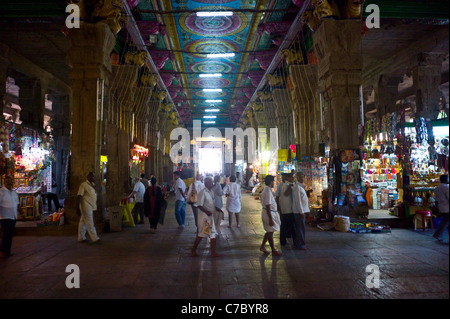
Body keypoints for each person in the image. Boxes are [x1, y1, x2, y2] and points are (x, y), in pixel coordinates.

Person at [191, 177, 223, 257]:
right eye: (211, 182)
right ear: (206, 184)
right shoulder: (203, 192)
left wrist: (217, 209)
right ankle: (193, 249)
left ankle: (213, 252)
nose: (213, 184)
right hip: (204, 218)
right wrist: (207, 212)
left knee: (213, 234)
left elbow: (211, 203)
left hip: (210, 217)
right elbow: (199, 205)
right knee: (201, 234)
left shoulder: (211, 192)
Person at [260, 175, 282, 256]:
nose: (274, 183)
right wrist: (270, 218)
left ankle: (272, 249)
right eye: (273, 181)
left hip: (269, 212)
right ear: (270, 182)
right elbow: (268, 205)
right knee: (270, 231)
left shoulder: (267, 190)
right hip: (269, 213)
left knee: (270, 231)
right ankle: (264, 247)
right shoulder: (268, 191)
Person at [77, 172, 100, 243]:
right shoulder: (84, 185)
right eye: (91, 177)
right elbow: (79, 196)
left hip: (90, 205)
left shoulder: (92, 185)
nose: (92, 178)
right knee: (89, 221)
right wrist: (77, 207)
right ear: (87, 177)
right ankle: (94, 238)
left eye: (93, 177)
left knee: (83, 221)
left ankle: (81, 237)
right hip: (85, 206)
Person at [0, 175, 19, 257]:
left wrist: (21, 213)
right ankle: (3, 251)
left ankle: (7, 250)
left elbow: (17, 204)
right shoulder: (1, 192)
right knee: (6, 233)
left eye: (11, 180)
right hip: (5, 216)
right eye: (8, 180)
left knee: (10, 234)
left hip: (13, 216)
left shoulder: (14, 192)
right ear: (4, 182)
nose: (9, 182)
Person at [275, 173, 295, 246]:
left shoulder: (287, 185)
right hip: (286, 209)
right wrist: (277, 206)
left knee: (286, 225)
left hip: (287, 208)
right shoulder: (284, 185)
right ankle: (284, 241)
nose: (293, 179)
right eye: (291, 178)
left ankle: (286, 238)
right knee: (285, 225)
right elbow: (285, 194)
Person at [292, 172, 310, 250]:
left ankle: (299, 243)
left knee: (300, 228)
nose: (302, 178)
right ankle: (300, 244)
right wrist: (301, 211)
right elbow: (298, 200)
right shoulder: (297, 187)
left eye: (302, 177)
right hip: (299, 212)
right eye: (300, 177)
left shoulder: (302, 186)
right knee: (300, 228)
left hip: (301, 210)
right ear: (297, 178)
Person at [433, 174, 449, 242]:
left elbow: (436, 200)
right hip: (447, 207)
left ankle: (438, 234)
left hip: (441, 207)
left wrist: (437, 208)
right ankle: (437, 234)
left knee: (446, 221)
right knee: (445, 221)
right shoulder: (446, 188)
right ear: (446, 179)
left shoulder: (437, 188)